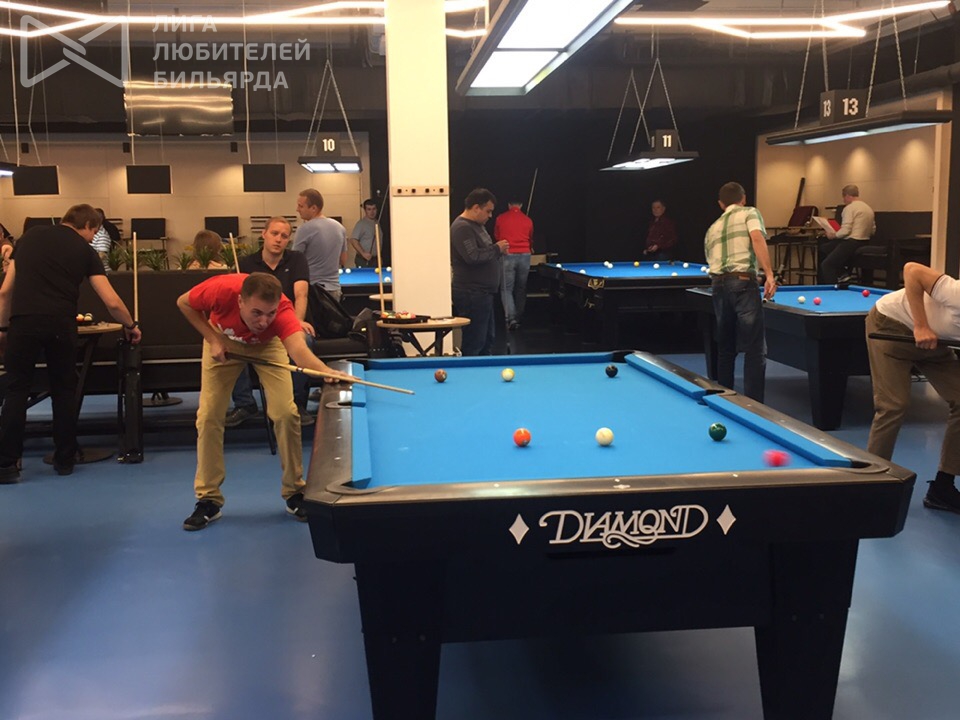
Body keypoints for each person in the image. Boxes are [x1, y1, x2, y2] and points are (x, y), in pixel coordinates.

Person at [176, 272, 350, 531]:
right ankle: (208, 499)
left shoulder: (283, 311)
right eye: (256, 313)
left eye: (270, 314)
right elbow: (183, 302)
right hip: (222, 340)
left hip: (268, 346)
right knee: (209, 416)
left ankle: (295, 492)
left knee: (286, 413)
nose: (263, 321)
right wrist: (213, 339)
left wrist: (326, 371)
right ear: (240, 301)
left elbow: (299, 351)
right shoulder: (220, 290)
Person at [0, 204, 141, 484]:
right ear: (88, 225)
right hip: (60, 325)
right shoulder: (84, 251)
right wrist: (130, 325)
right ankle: (64, 459)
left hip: (23, 322)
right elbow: (111, 301)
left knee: (16, 390)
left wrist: (3, 329)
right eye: (94, 232)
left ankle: (6, 464)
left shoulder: (28, 238)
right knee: (64, 390)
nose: (93, 237)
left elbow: (5, 291)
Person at [865, 262, 960, 514]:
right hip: (891, 324)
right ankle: (870, 486)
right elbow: (912, 270)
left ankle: (943, 488)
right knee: (893, 405)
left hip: (935, 342)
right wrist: (921, 325)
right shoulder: (957, 294)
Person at [224, 217, 315, 428]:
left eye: (284, 236)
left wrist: (297, 322)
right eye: (274, 233)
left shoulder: (297, 259)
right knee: (232, 343)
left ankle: (296, 404)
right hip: (255, 324)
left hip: (286, 322)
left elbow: (301, 294)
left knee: (305, 341)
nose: (278, 239)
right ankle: (245, 404)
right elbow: (240, 301)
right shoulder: (246, 263)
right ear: (264, 234)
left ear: (288, 240)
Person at [704, 182, 776, 402]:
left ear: (720, 204)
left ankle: (725, 399)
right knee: (754, 348)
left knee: (726, 347)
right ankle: (754, 405)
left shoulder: (712, 227)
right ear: (743, 199)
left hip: (718, 285)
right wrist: (769, 274)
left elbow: (709, 258)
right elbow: (757, 238)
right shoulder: (750, 212)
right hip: (743, 282)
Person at [451, 188, 509, 356]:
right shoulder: (462, 228)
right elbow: (473, 256)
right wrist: (497, 249)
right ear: (476, 207)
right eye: (488, 211)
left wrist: (497, 251)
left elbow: (484, 252)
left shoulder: (477, 226)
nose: (490, 215)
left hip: (482, 293)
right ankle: (469, 371)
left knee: (486, 340)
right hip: (472, 293)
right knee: (475, 342)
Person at [293, 188, 348, 299]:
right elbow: (343, 260)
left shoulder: (304, 229)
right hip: (334, 290)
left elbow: (294, 260)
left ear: (313, 208)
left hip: (312, 291)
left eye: (301, 206)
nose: (297, 209)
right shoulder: (340, 227)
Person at [818, 184, 875, 284]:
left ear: (847, 196)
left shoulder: (849, 208)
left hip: (852, 242)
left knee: (827, 265)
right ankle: (843, 273)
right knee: (826, 248)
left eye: (843, 197)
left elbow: (846, 230)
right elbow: (873, 230)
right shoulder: (868, 208)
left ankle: (832, 287)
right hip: (865, 241)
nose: (843, 200)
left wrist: (833, 235)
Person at [494, 199, 534, 331]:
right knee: (521, 288)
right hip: (525, 255)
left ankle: (511, 319)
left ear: (509, 205)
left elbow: (497, 236)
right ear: (521, 205)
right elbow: (530, 237)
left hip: (507, 254)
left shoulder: (500, 218)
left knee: (506, 289)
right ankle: (518, 317)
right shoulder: (528, 220)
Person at [347, 198, 382, 268]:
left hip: (375, 260)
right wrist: (363, 253)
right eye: (369, 209)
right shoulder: (361, 224)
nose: (372, 212)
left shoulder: (377, 223)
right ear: (365, 210)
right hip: (364, 260)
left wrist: (379, 257)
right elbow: (353, 240)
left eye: (374, 209)